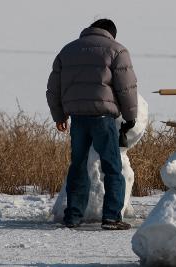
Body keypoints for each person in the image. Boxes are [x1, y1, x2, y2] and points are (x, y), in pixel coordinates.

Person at [46, 19, 138, 230]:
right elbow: (127, 87)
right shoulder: (117, 50)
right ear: (111, 34)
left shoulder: (67, 50)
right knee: (112, 167)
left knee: (78, 165)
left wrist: (59, 116)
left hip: (77, 117)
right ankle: (111, 218)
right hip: (103, 118)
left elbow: (53, 87)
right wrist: (130, 116)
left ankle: (73, 216)